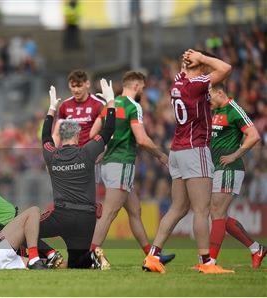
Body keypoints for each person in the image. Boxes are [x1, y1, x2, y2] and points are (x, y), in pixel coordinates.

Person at [142, 49, 233, 274]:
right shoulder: (197, 84)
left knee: (178, 207)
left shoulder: (178, 82)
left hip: (177, 150)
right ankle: (206, 262)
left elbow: (185, 72)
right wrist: (201, 58)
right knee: (201, 210)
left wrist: (188, 62)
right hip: (195, 149)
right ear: (200, 66)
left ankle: (153, 256)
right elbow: (225, 68)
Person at [88, 71, 174, 269]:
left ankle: (151, 256)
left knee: (135, 210)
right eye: (143, 87)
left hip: (108, 164)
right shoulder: (132, 106)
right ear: (136, 86)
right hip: (122, 163)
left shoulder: (110, 105)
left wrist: (105, 147)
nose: (143, 91)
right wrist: (161, 156)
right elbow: (142, 140)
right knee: (109, 213)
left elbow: (93, 133)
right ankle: (90, 255)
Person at [38, 80, 115, 268]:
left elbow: (46, 136)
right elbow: (109, 129)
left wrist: (51, 109)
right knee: (77, 265)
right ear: (78, 135)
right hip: (86, 219)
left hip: (61, 215)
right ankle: (94, 257)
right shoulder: (87, 152)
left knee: (24, 230)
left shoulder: (51, 154)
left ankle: (49, 254)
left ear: (62, 136)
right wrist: (110, 101)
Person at [207, 83, 265, 269]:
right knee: (218, 215)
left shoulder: (233, 109)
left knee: (216, 212)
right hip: (217, 168)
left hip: (230, 168)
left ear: (220, 92)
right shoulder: (216, 111)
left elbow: (254, 135)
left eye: (210, 95)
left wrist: (235, 155)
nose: (208, 100)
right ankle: (256, 248)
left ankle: (211, 262)